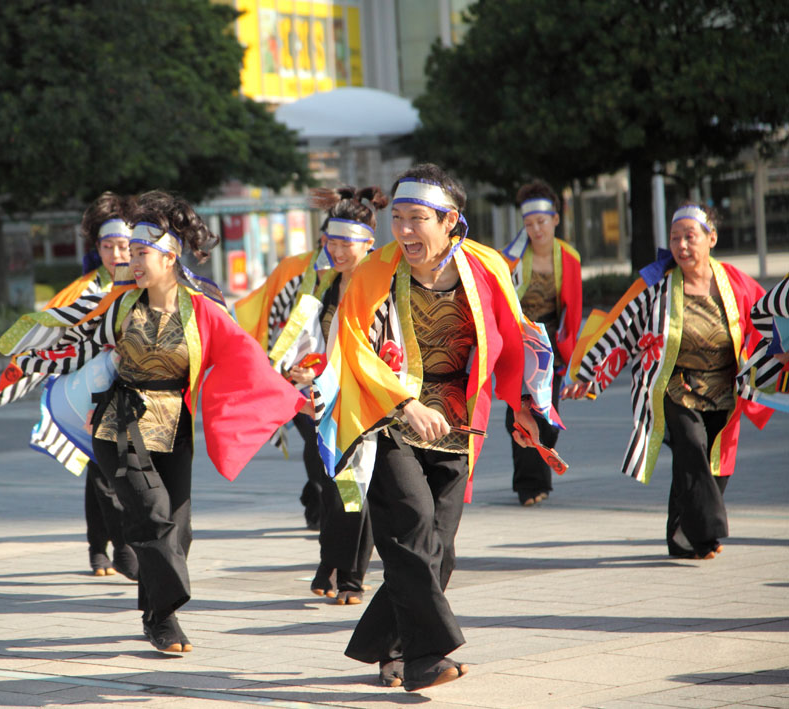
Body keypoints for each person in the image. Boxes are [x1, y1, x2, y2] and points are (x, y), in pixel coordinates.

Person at [0, 191, 306, 653]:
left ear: (171, 254)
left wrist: (294, 396)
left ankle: (155, 616)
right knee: (151, 513)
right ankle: (167, 617)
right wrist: (26, 362)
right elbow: (75, 346)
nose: (132, 260)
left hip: (175, 421)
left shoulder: (204, 308)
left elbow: (248, 360)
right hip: (118, 418)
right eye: (130, 252)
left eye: (142, 253)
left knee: (179, 531)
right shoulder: (119, 303)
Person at [314, 164, 557, 691]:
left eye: (417, 219)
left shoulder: (486, 267)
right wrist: (405, 403)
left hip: (457, 419)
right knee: (412, 525)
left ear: (450, 221)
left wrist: (522, 407)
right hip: (385, 421)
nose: (403, 230)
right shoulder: (376, 272)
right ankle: (428, 657)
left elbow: (512, 338)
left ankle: (384, 646)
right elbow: (355, 346)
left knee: (437, 550)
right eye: (397, 218)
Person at [565, 202, 772, 560]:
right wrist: (588, 374)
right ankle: (709, 531)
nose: (682, 245)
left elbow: (771, 319)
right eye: (675, 238)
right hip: (673, 386)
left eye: (690, 237)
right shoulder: (658, 286)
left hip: (725, 389)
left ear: (712, 238)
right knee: (691, 446)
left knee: (712, 465)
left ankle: (680, 537)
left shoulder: (736, 283)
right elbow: (622, 328)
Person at [0, 192, 138, 579]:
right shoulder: (82, 292)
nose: (117, 253)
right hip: (85, 393)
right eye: (108, 246)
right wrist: (13, 376)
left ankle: (100, 547)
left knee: (107, 471)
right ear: (97, 249)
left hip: (133, 392)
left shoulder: (143, 284)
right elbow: (44, 341)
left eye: (124, 245)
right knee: (102, 471)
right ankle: (115, 548)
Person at [266, 186, 384, 605]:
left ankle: (348, 575)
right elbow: (290, 338)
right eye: (330, 241)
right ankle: (332, 564)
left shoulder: (386, 287)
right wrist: (290, 369)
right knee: (329, 483)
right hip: (321, 403)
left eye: (345, 243)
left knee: (352, 486)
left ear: (369, 243)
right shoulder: (318, 285)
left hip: (369, 404)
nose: (335, 249)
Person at [236, 240, 328, 529]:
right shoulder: (293, 268)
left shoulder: (367, 272)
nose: (335, 249)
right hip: (297, 377)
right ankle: (321, 500)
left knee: (331, 441)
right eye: (330, 240)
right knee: (316, 438)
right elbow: (269, 313)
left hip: (340, 375)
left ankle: (318, 498)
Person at [500, 180, 582, 505]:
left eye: (541, 222)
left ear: (556, 220)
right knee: (517, 414)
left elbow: (573, 312)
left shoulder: (569, 258)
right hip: (518, 341)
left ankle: (542, 478)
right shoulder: (513, 258)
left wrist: (570, 355)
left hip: (552, 346)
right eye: (529, 223)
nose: (535, 229)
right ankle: (528, 485)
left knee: (548, 417)